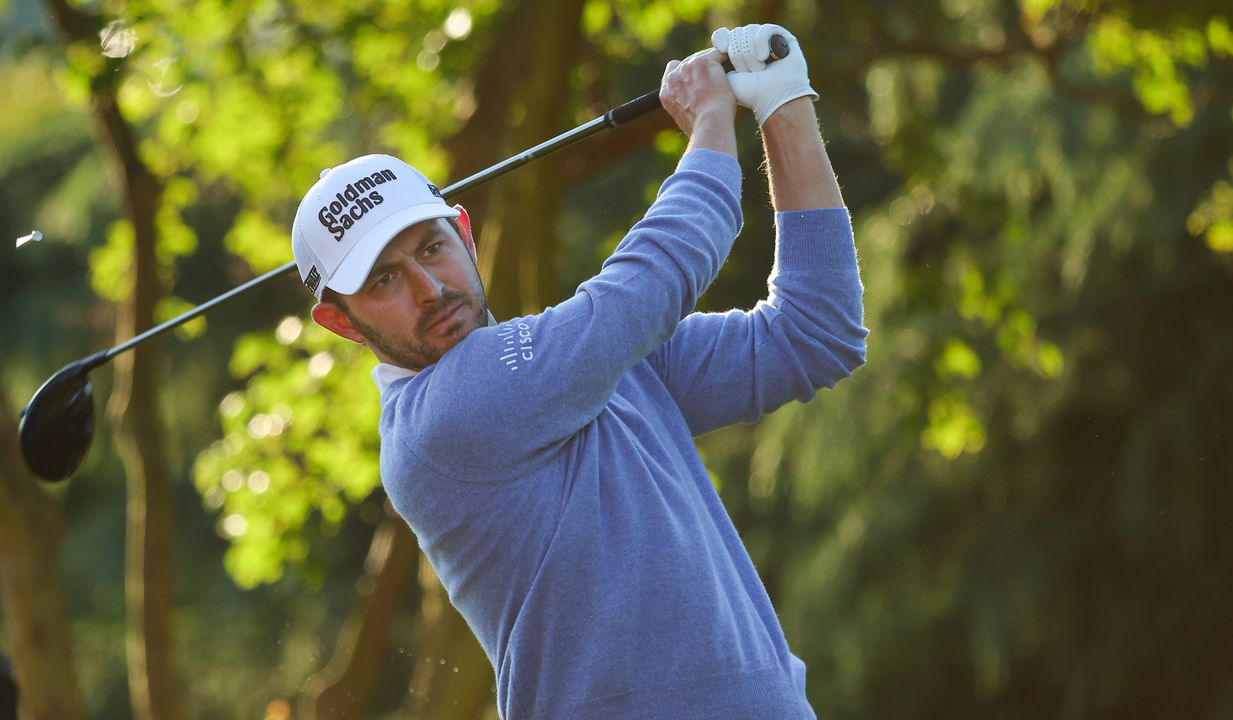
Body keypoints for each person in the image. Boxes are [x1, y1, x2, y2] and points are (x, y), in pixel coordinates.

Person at [292, 23, 867, 719]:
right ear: (342, 323)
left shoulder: (595, 363)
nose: (428, 287)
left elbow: (816, 333)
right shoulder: (443, 419)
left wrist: (782, 101)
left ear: (465, 233)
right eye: (384, 279)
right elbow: (650, 281)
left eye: (432, 247)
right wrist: (712, 118)